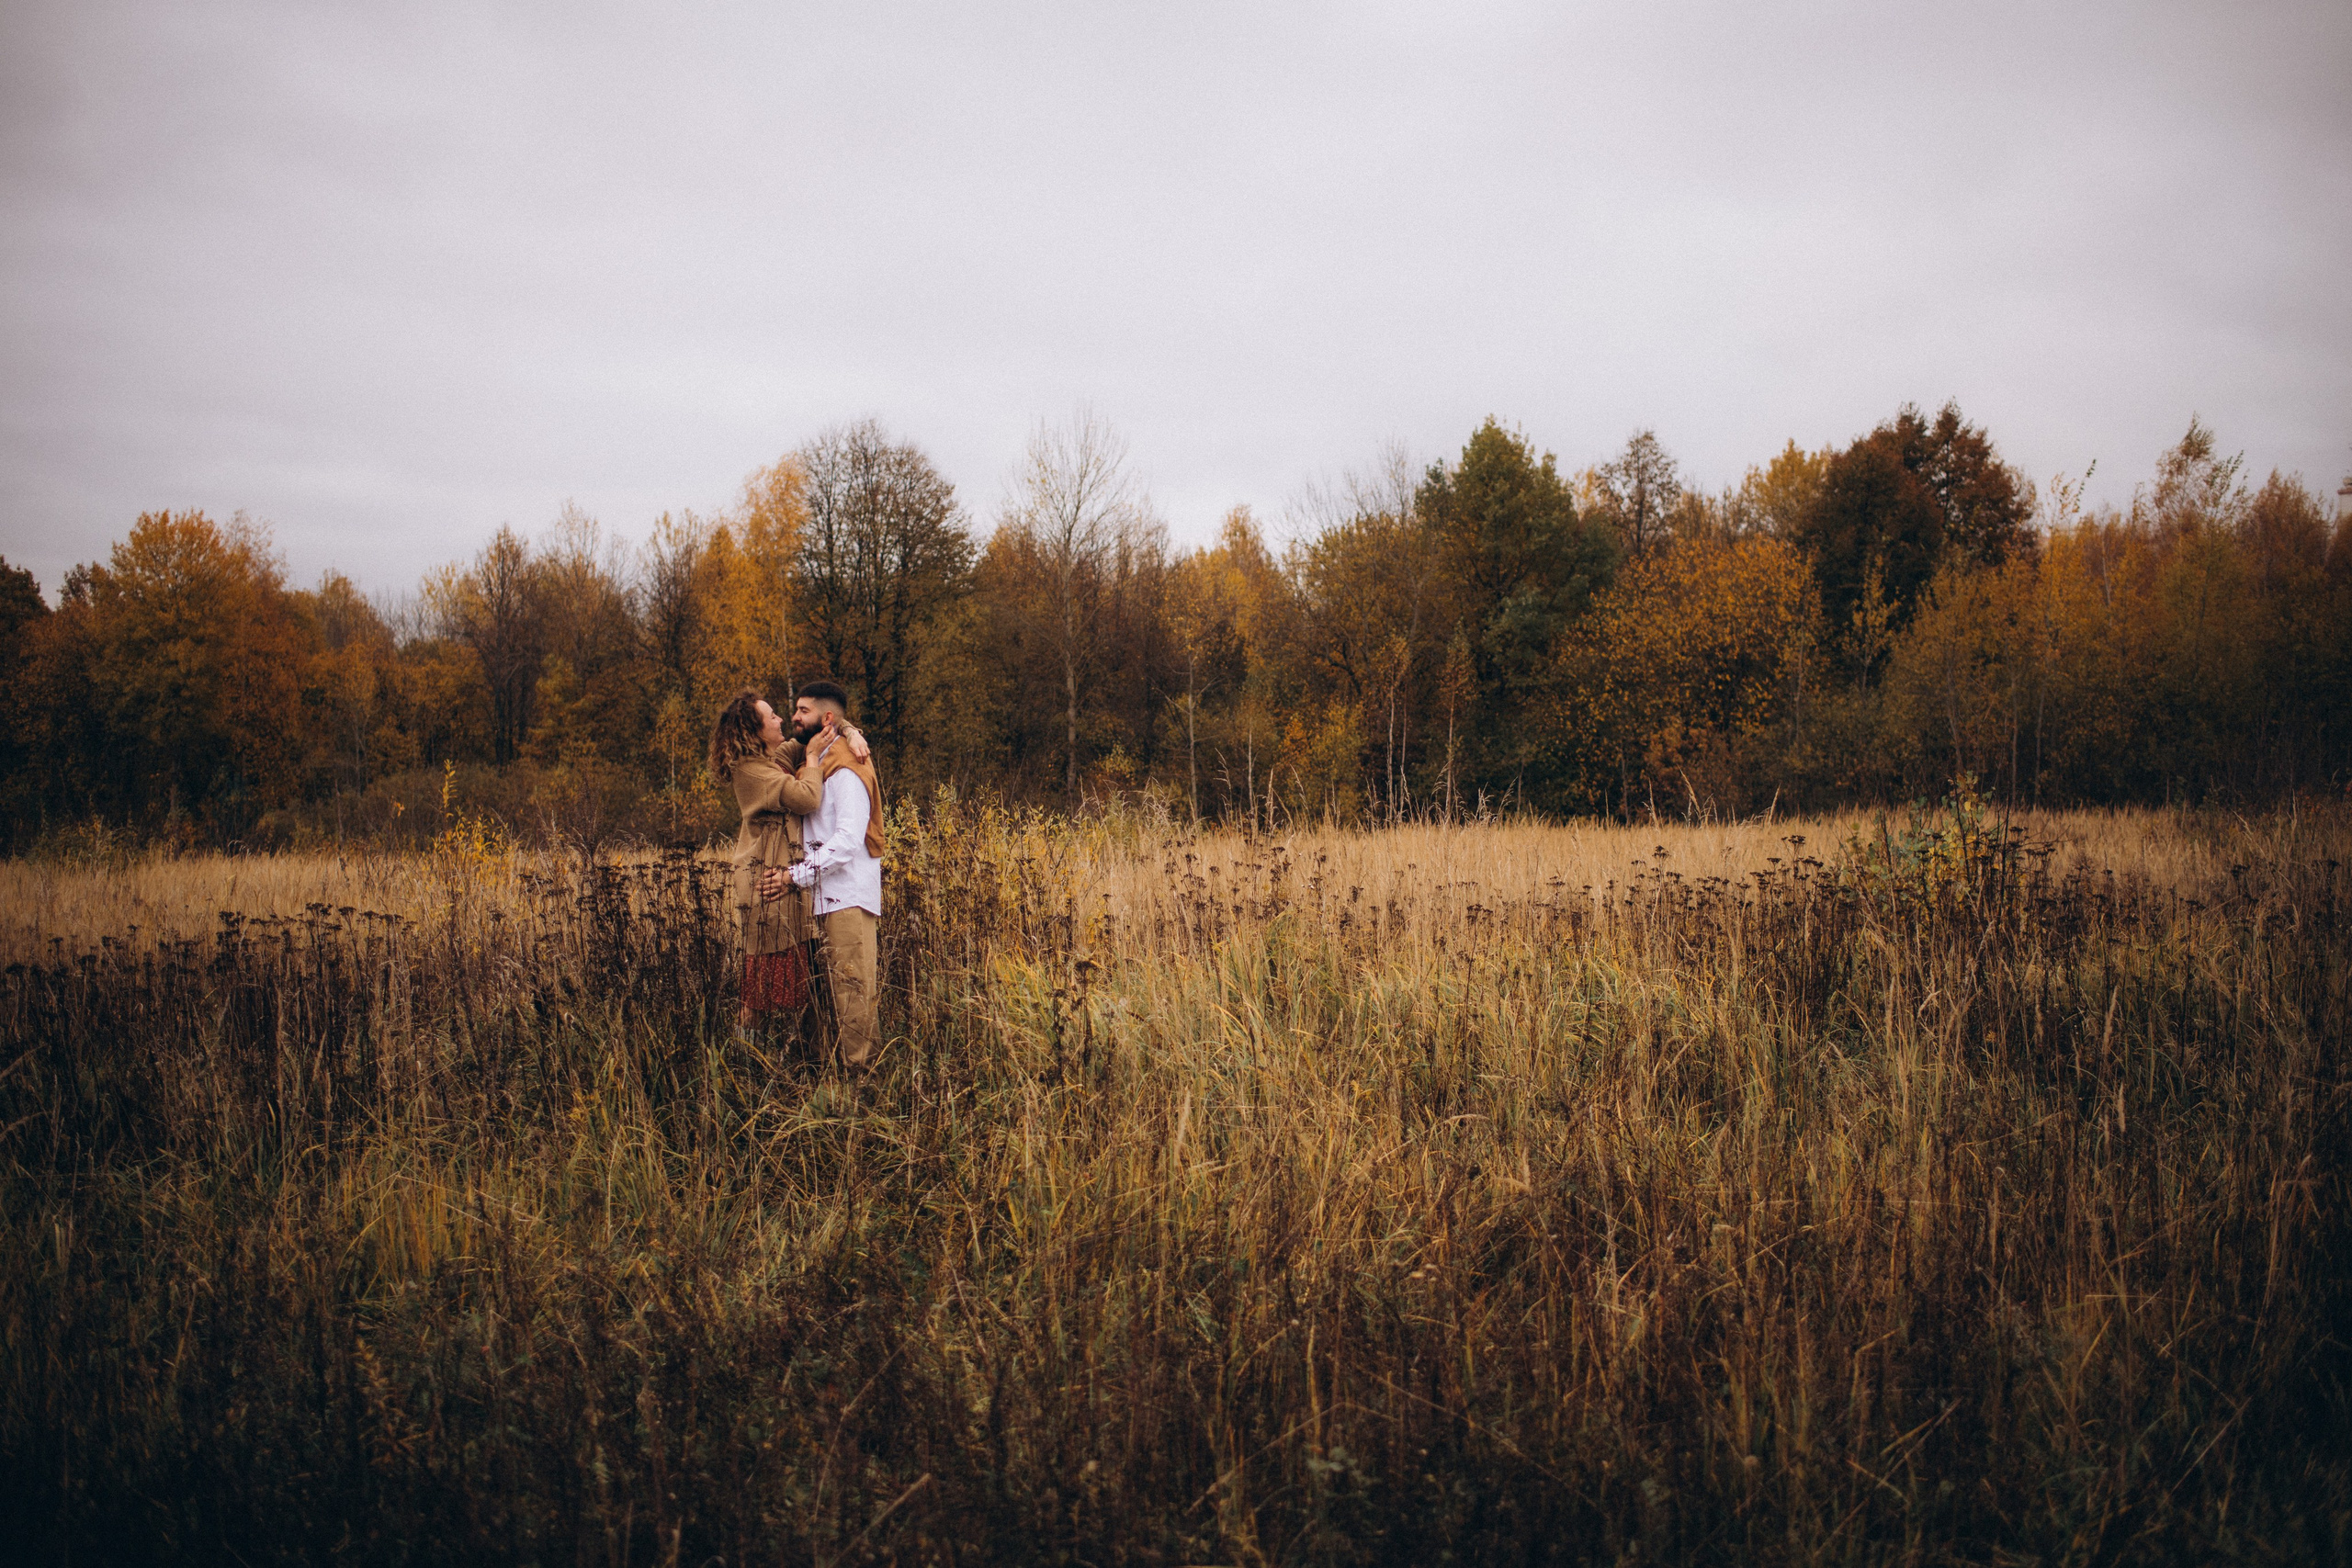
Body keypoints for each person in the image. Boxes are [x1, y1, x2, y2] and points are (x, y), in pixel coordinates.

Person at [707, 689, 867, 1050]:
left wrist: (850, 731)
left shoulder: (770, 758)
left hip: (786, 881)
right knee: (758, 992)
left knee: (802, 980)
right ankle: (744, 1065)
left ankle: (805, 1060)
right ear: (755, 730)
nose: (781, 718)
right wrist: (812, 757)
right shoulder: (752, 770)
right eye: (771, 717)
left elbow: (822, 727)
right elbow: (808, 797)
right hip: (765, 884)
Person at [767, 681, 886, 1071]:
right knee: (825, 996)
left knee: (852, 993)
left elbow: (848, 841)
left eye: (803, 710)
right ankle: (827, 1079)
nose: (795, 717)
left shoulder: (848, 767)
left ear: (827, 718)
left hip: (847, 896)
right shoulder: (815, 761)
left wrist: (793, 877)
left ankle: (863, 1084)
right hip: (821, 897)